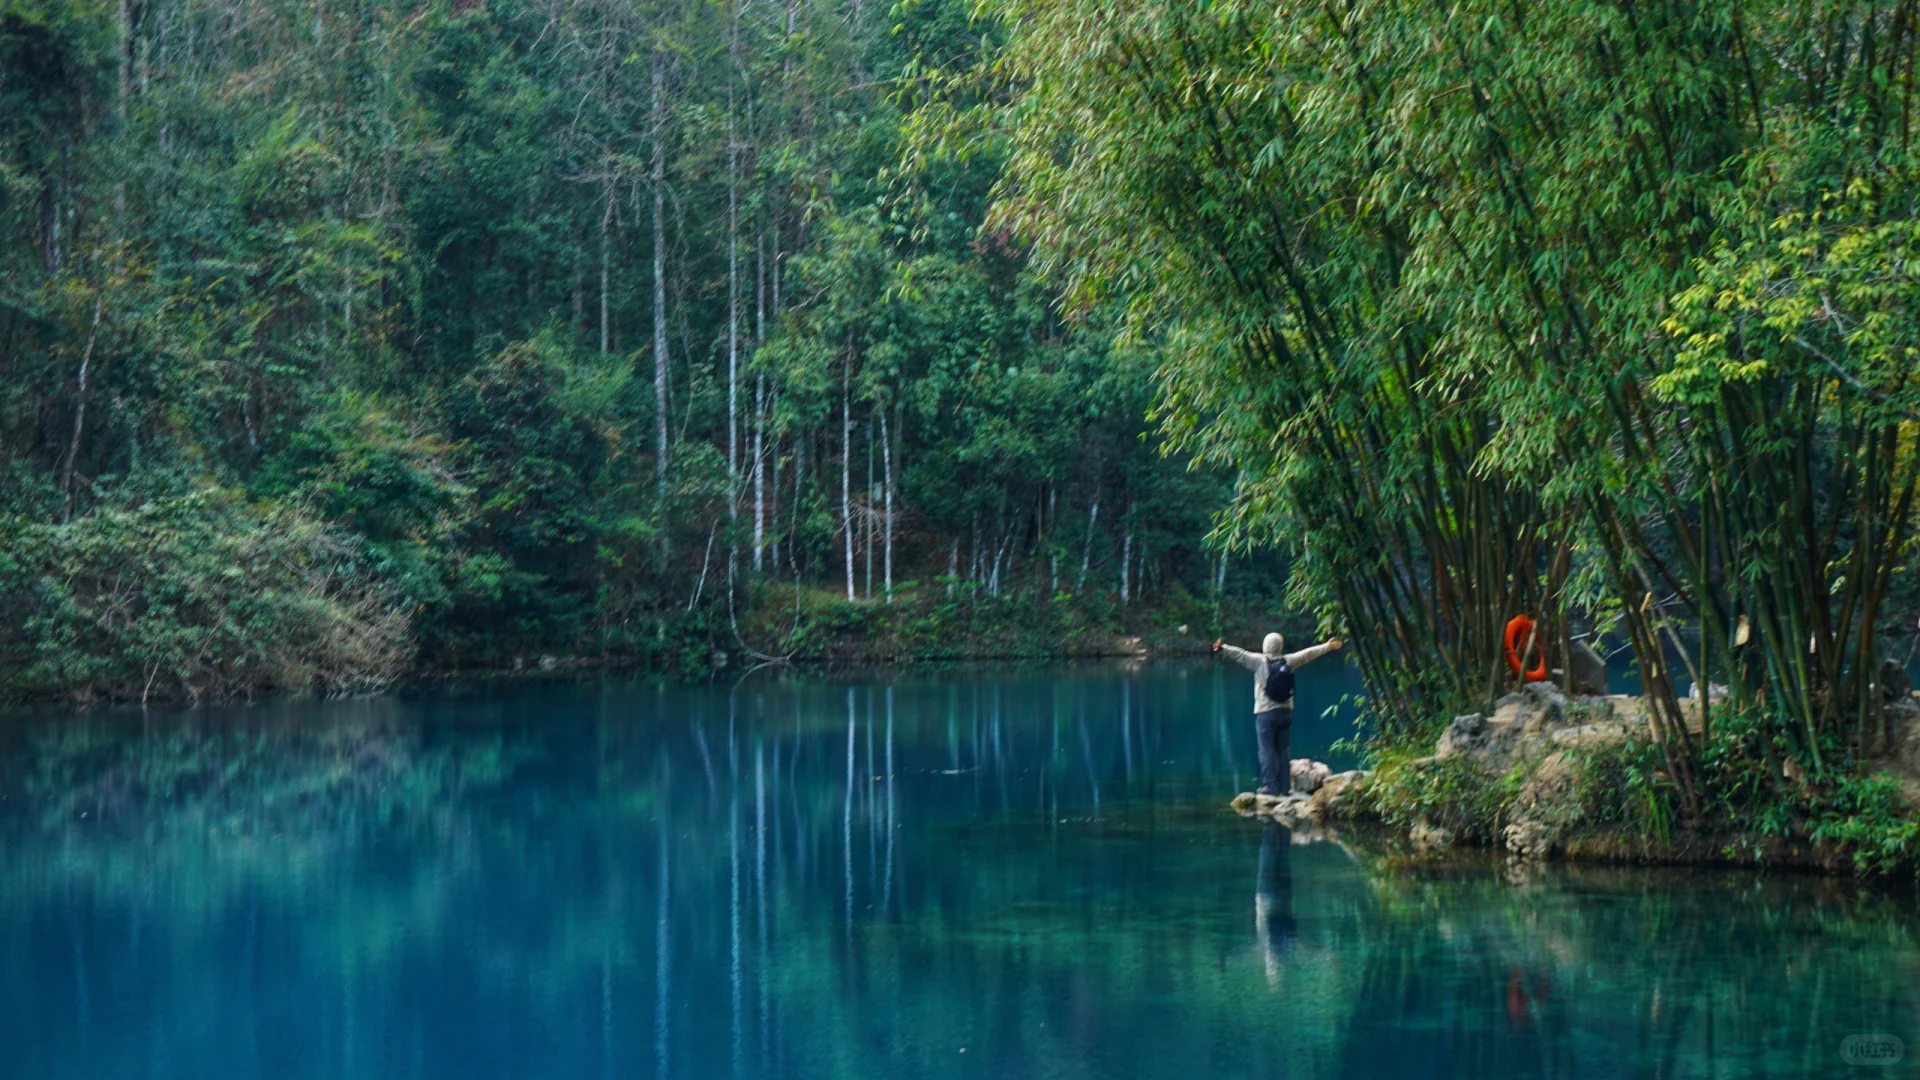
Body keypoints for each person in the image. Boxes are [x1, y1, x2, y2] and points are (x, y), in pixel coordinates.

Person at [1212, 632, 1343, 796]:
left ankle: (1271, 787)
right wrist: (1328, 646)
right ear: (1280, 646)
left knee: (1267, 750)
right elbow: (1308, 654)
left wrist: (1223, 647)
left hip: (1265, 713)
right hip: (1285, 711)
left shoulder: (1258, 661)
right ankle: (1285, 787)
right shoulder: (1289, 661)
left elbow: (1240, 654)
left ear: (1265, 646)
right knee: (1283, 749)